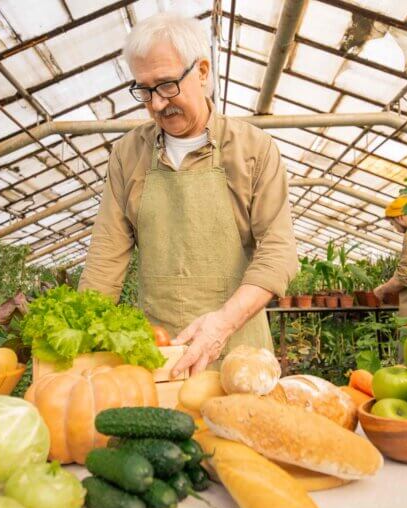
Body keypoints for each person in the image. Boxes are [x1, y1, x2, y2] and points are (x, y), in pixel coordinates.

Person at [78, 13, 298, 377]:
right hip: (158, 355)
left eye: (166, 85)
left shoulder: (252, 149)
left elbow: (279, 252)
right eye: (144, 90)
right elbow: (105, 259)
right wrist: (80, 341)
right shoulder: (128, 154)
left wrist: (222, 325)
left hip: (240, 356)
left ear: (202, 71)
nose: (157, 104)